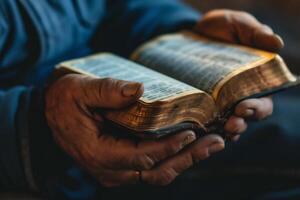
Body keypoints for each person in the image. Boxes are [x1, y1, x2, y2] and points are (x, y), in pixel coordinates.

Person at [0, 0, 293, 199]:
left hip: (150, 94)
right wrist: (37, 124)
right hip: (46, 156)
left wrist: (183, 35)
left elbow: (115, 6)